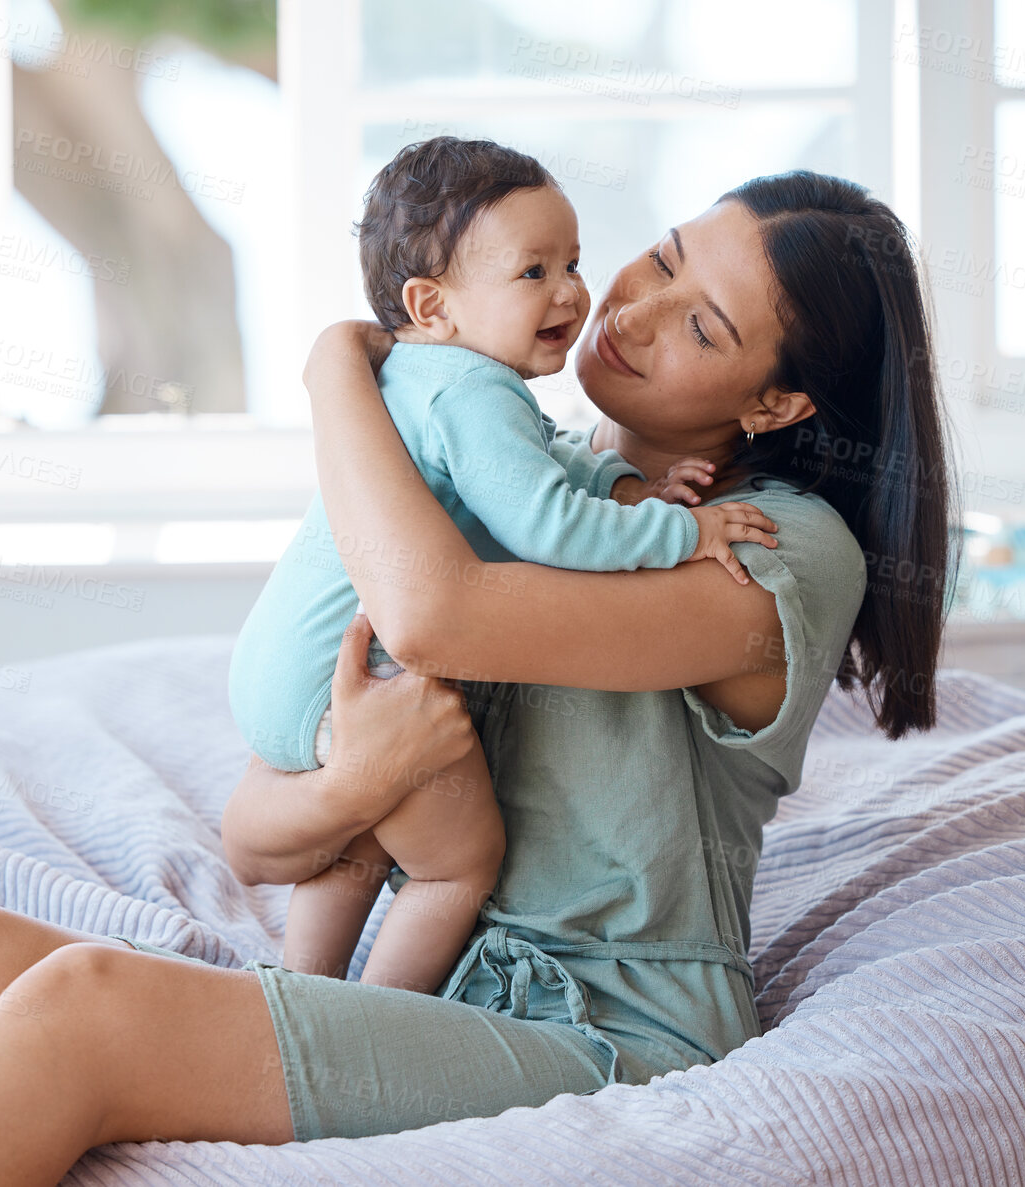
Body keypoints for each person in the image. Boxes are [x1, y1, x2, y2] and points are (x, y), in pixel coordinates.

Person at [0, 170, 952, 1187]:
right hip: (435, 977)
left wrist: (338, 377)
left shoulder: (775, 553)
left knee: (88, 1006)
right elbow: (256, 831)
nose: (628, 308)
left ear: (781, 399)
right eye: (665, 257)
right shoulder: (525, 469)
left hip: (605, 1031)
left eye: (700, 322)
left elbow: (433, 615)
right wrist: (362, 773)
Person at [226, 136, 771, 997]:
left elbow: (541, 473)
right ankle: (366, 1019)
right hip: (358, 674)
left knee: (364, 837)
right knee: (457, 862)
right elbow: (548, 521)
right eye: (534, 272)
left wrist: (637, 493)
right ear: (431, 305)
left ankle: (300, 986)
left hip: (281, 668)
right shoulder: (475, 393)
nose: (573, 293)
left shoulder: (415, 378)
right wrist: (684, 535)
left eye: (574, 261)